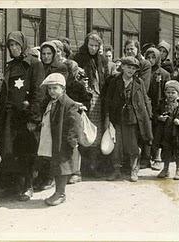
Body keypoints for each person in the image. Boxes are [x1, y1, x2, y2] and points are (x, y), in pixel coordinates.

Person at [0, 31, 45, 201]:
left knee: (27, 151)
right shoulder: (10, 65)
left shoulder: (34, 64)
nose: (14, 48)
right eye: (11, 45)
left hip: (26, 116)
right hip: (10, 115)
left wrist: (33, 118)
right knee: (10, 150)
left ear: (23, 45)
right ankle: (14, 186)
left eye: (16, 44)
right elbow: (5, 92)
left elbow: (39, 92)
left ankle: (28, 186)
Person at [104, 56, 153, 182]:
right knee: (117, 145)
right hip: (117, 118)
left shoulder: (138, 82)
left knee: (132, 145)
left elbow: (144, 99)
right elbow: (108, 100)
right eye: (128, 67)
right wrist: (108, 118)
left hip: (133, 118)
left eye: (133, 68)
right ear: (123, 67)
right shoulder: (115, 81)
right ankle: (116, 170)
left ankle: (134, 169)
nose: (130, 70)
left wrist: (148, 114)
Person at [38, 73, 81, 206]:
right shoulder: (52, 102)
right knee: (56, 166)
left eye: (55, 88)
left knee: (62, 167)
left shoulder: (68, 104)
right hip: (53, 139)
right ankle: (57, 191)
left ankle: (61, 193)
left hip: (63, 141)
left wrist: (72, 140)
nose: (51, 91)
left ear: (63, 88)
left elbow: (74, 123)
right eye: (49, 88)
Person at [73, 32, 108, 178]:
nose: (93, 48)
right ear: (86, 44)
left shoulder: (102, 59)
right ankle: (80, 168)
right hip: (84, 98)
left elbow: (104, 78)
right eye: (91, 45)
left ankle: (93, 166)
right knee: (82, 130)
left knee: (96, 131)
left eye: (96, 46)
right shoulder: (79, 58)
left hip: (98, 99)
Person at [123, 39, 152, 169]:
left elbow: (144, 84)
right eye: (127, 49)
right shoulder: (123, 62)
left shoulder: (144, 64)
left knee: (140, 131)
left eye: (132, 49)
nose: (130, 51)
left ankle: (142, 160)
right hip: (126, 100)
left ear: (137, 49)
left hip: (139, 98)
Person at [156, 81, 179, 180]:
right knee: (166, 150)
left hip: (178, 133)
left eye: (173, 93)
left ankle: (178, 169)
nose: (170, 95)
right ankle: (165, 169)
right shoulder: (162, 103)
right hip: (166, 132)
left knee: (178, 152)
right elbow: (156, 113)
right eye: (168, 92)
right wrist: (159, 117)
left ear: (178, 93)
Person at [144, 47, 170, 169]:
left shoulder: (164, 74)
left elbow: (167, 92)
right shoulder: (144, 71)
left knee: (158, 131)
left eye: (153, 57)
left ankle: (157, 157)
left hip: (158, 106)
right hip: (146, 106)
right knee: (147, 131)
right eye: (148, 57)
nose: (150, 60)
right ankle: (146, 157)